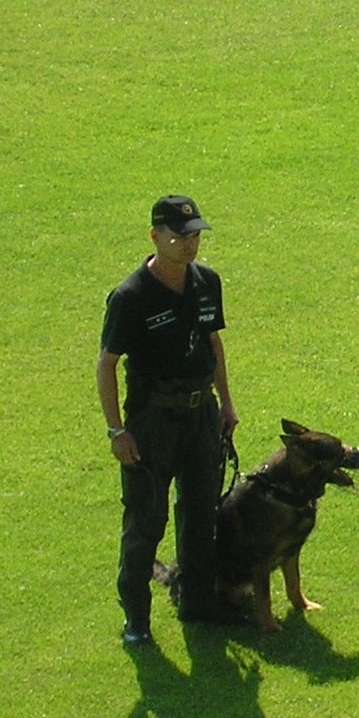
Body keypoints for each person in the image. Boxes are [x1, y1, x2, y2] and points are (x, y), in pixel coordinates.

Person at [97, 195, 240, 645]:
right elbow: (106, 364)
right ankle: (136, 618)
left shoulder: (206, 282)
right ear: (155, 236)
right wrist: (117, 430)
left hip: (201, 415)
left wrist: (226, 404)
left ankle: (197, 602)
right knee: (146, 519)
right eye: (180, 237)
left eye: (195, 236)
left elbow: (213, 342)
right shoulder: (130, 296)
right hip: (153, 420)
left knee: (200, 512)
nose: (190, 244)